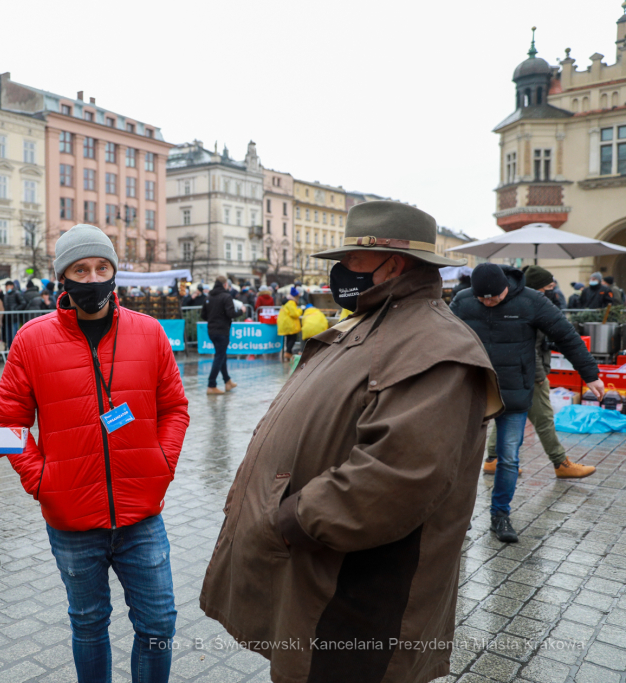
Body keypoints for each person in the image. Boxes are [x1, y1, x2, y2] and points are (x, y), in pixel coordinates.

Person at [201, 200, 502, 683]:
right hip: (321, 575)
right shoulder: (371, 321)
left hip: (359, 595)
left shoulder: (436, 346)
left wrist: (290, 520)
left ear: (394, 264)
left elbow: (397, 477)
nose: (340, 271)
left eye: (352, 262)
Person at [0, 223, 189, 683]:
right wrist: (40, 480)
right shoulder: (32, 341)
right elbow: (10, 422)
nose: (93, 277)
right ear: (64, 278)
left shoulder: (149, 333)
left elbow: (175, 407)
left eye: (102, 267)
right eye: (81, 269)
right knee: (88, 623)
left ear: (115, 272)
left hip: (142, 514)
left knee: (159, 624)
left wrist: (162, 464)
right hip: (71, 517)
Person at [451, 263, 602, 543]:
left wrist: (591, 375)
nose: (487, 302)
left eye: (493, 296)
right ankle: (460, 516)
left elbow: (566, 337)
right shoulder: (463, 301)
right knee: (463, 458)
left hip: (515, 391)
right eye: (481, 297)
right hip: (473, 392)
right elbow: (444, 340)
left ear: (505, 286)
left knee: (508, 459)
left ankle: (500, 515)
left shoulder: (532, 300)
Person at [482, 266, 597, 479]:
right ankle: (560, 462)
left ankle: (492, 459)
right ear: (536, 288)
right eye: (546, 288)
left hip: (512, 372)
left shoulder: (519, 304)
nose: (548, 292)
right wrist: (539, 376)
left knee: (504, 411)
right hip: (528, 374)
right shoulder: (528, 306)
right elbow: (528, 348)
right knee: (544, 418)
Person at [201, 275, 242, 395]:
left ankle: (227, 381)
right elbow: (230, 313)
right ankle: (211, 385)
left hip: (212, 331)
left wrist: (213, 316)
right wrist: (241, 311)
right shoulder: (226, 296)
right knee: (219, 357)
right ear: (225, 284)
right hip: (222, 331)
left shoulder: (209, 296)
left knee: (221, 355)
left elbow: (203, 315)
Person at [276, 289, 301, 362]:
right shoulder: (291, 302)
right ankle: (287, 352)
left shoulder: (286, 302)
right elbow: (295, 314)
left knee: (289, 338)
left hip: (284, 323)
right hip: (289, 323)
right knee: (293, 338)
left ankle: (288, 353)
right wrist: (300, 310)